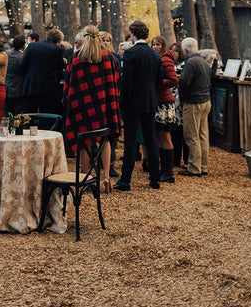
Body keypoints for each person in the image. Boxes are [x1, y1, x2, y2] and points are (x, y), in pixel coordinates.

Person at [62, 25, 121, 190]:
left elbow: (68, 85)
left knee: (84, 142)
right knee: (106, 139)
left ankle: (85, 177)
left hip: (83, 106)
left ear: (84, 37)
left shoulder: (76, 57)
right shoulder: (108, 56)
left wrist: (69, 101)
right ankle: (107, 177)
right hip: (104, 104)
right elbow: (115, 81)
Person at [114, 20, 161, 191]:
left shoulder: (130, 54)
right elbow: (159, 80)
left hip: (133, 102)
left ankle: (125, 180)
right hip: (150, 100)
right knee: (151, 140)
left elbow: (127, 82)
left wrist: (123, 101)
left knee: (130, 141)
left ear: (133, 34)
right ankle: (155, 179)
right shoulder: (155, 55)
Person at [178, 37, 212, 177]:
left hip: (193, 102)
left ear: (185, 50)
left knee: (192, 136)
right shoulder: (204, 61)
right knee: (203, 135)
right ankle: (204, 166)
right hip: (205, 100)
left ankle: (194, 167)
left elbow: (184, 82)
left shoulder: (191, 62)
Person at [16, 28, 66, 115]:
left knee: (28, 115)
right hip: (49, 88)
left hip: (31, 85)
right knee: (46, 116)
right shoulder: (57, 50)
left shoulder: (32, 46)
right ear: (58, 41)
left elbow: (22, 65)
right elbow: (60, 67)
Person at [151, 35, 180, 183]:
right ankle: (164, 169)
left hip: (164, 103)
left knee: (165, 137)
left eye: (158, 44)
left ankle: (169, 172)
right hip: (158, 101)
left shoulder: (165, 59)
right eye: (153, 44)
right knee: (160, 137)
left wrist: (157, 83)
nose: (155, 47)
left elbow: (173, 80)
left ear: (163, 46)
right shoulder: (157, 58)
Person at [4, 35, 26, 115]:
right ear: (23, 46)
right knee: (17, 115)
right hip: (18, 89)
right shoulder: (22, 57)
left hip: (6, 87)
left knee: (6, 113)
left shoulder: (6, 54)